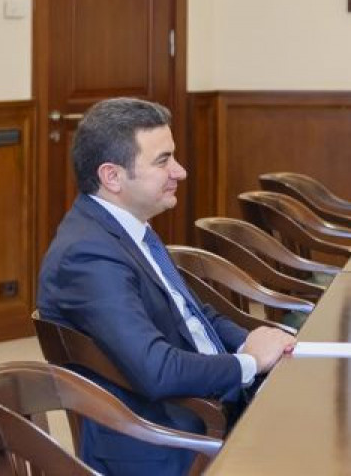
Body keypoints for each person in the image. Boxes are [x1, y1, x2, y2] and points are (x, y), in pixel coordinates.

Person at [38, 98, 295, 476]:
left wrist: (254, 342)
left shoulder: (126, 228)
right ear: (112, 177)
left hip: (202, 411)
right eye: (163, 161)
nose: (181, 171)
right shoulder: (87, 256)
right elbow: (156, 370)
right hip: (168, 443)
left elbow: (193, 315)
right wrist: (250, 363)